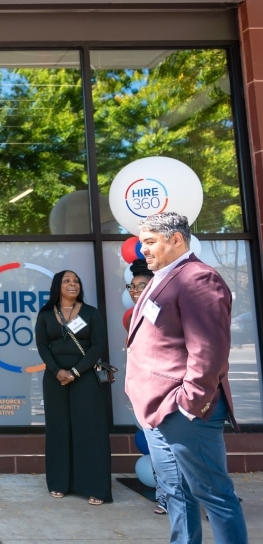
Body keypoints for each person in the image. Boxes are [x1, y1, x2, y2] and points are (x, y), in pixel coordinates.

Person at [125, 212, 247, 543]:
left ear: (176, 239)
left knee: (215, 496)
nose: (143, 250)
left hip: (185, 413)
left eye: (150, 242)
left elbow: (208, 352)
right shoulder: (160, 277)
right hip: (156, 412)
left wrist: (189, 404)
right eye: (141, 243)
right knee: (176, 496)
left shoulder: (196, 278)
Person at [34, 269, 112, 505]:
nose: (72, 284)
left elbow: (98, 346)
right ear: (57, 286)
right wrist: (57, 371)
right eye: (67, 281)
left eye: (76, 281)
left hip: (85, 377)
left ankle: (95, 488)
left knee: (89, 430)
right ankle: (59, 482)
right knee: (59, 430)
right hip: (54, 378)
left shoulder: (91, 313)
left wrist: (76, 372)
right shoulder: (46, 314)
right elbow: (42, 346)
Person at [127, 259, 167, 516]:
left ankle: (211, 502)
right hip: (147, 394)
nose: (134, 291)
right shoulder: (138, 314)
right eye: (131, 286)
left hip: (171, 393)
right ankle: (166, 498)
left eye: (140, 286)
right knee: (161, 453)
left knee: (192, 455)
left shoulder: (163, 310)